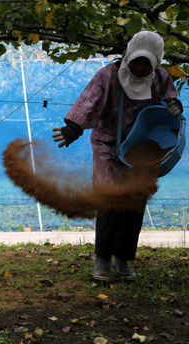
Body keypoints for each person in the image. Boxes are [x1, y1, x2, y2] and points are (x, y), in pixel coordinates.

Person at [52, 31, 182, 281]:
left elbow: (170, 100)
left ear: (156, 62)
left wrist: (175, 106)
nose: (141, 67)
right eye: (137, 61)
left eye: (147, 62)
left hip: (143, 148)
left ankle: (123, 260)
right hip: (108, 145)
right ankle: (102, 259)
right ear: (129, 56)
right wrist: (74, 126)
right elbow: (89, 101)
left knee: (135, 200)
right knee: (110, 198)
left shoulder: (161, 77)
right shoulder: (108, 75)